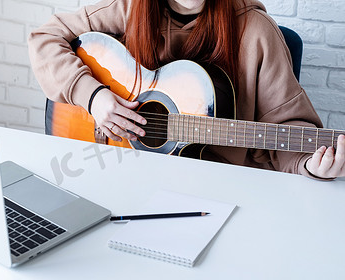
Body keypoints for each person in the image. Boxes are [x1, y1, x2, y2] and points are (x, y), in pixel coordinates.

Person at [28, 0, 345, 180]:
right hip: (129, 173)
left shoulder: (256, 31)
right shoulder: (129, 8)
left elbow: (289, 126)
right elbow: (45, 38)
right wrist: (93, 97)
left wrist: (309, 163)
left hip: (225, 188)